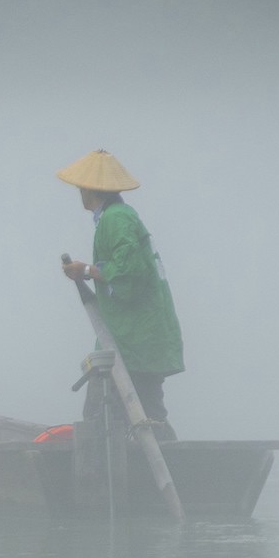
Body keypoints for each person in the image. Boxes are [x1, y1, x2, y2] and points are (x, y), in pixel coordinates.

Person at [56, 150, 183, 435]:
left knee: (107, 413)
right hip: (133, 334)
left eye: (81, 187)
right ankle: (164, 466)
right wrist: (86, 271)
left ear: (91, 189)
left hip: (135, 337)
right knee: (146, 411)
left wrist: (86, 271)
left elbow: (129, 274)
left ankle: (151, 470)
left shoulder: (116, 219)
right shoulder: (114, 217)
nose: (80, 192)